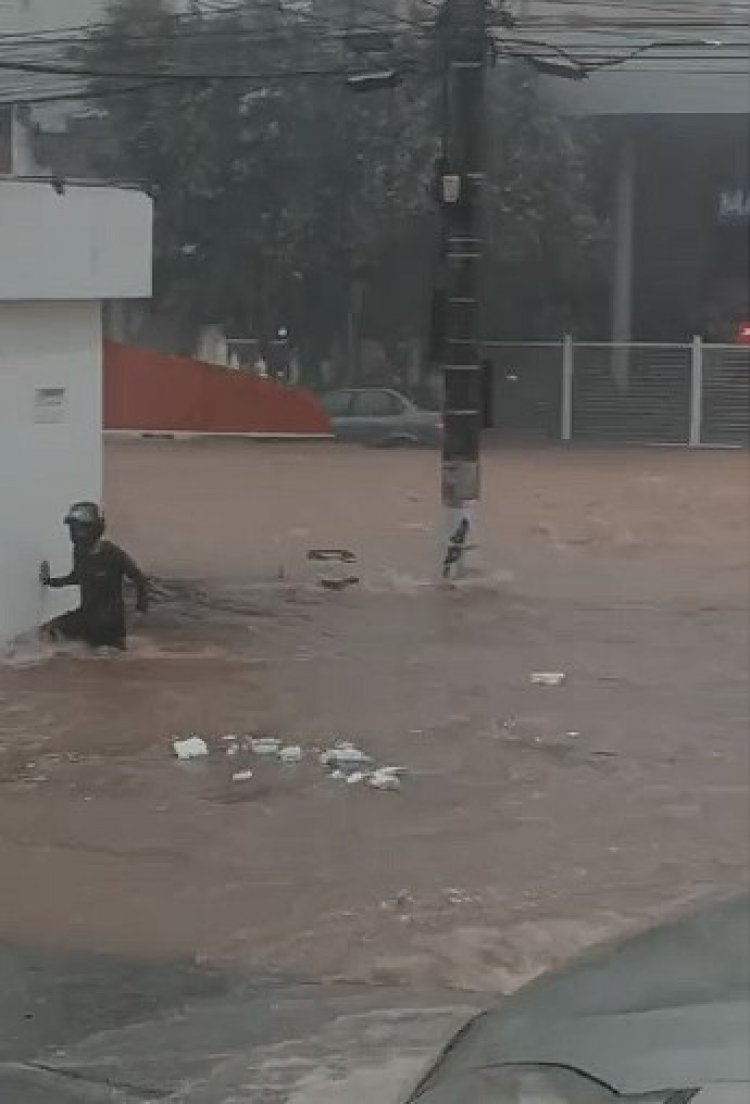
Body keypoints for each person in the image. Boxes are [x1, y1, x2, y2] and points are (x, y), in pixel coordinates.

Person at [40, 502, 149, 650]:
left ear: (95, 529)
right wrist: (50, 582)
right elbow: (77, 577)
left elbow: (139, 579)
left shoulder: (113, 554)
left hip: (110, 625)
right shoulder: (79, 551)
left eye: (81, 529)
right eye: (74, 529)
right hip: (86, 616)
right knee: (45, 633)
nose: (76, 533)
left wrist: (141, 610)